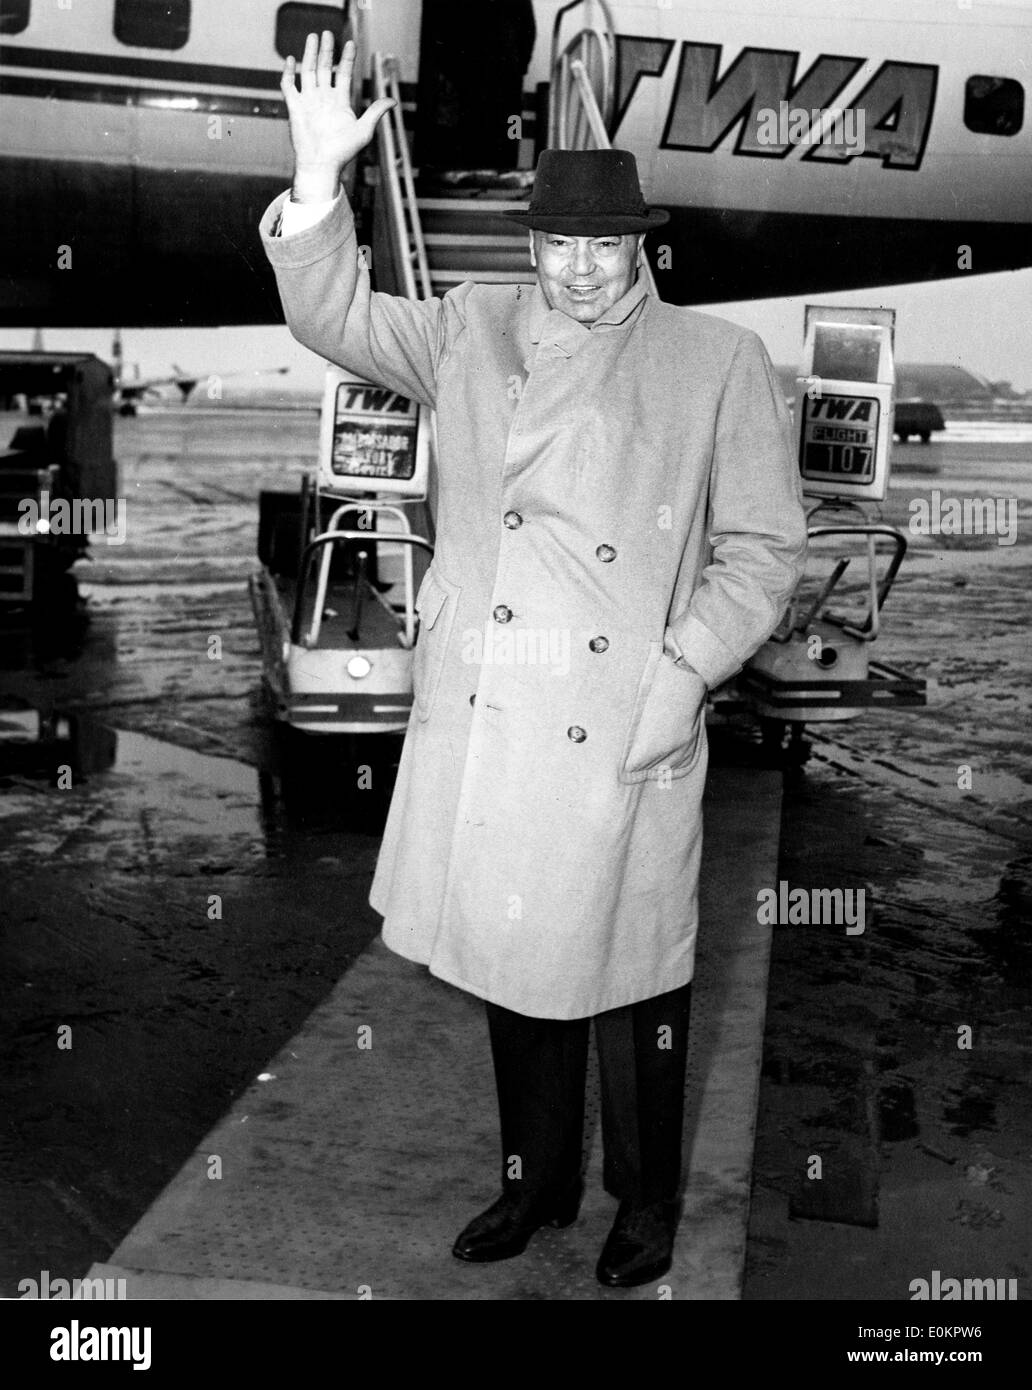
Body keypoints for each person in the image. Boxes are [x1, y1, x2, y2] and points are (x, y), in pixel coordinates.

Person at [260, 33, 808, 1289]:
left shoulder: (716, 362)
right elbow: (329, 310)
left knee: (633, 996)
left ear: (639, 246)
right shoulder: (469, 327)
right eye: (556, 243)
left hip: (621, 718)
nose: (577, 268)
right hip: (497, 717)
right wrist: (318, 182)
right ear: (532, 244)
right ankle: (536, 1187)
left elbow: (764, 554)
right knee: (519, 976)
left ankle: (647, 1202)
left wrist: (682, 675)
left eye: (602, 245)